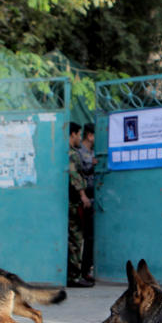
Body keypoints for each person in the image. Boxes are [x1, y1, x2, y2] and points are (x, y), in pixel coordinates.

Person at [67, 122, 93, 288]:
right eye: (77, 135)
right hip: (73, 203)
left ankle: (74, 274)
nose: (79, 138)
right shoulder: (71, 154)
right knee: (76, 240)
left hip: (68, 202)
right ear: (73, 134)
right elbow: (74, 175)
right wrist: (83, 195)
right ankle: (74, 277)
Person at [76, 123, 96, 282]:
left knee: (90, 237)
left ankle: (86, 269)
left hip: (93, 197)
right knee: (82, 237)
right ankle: (80, 272)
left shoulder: (93, 152)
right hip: (83, 197)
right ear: (90, 135)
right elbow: (79, 171)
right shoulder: (78, 152)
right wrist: (92, 164)